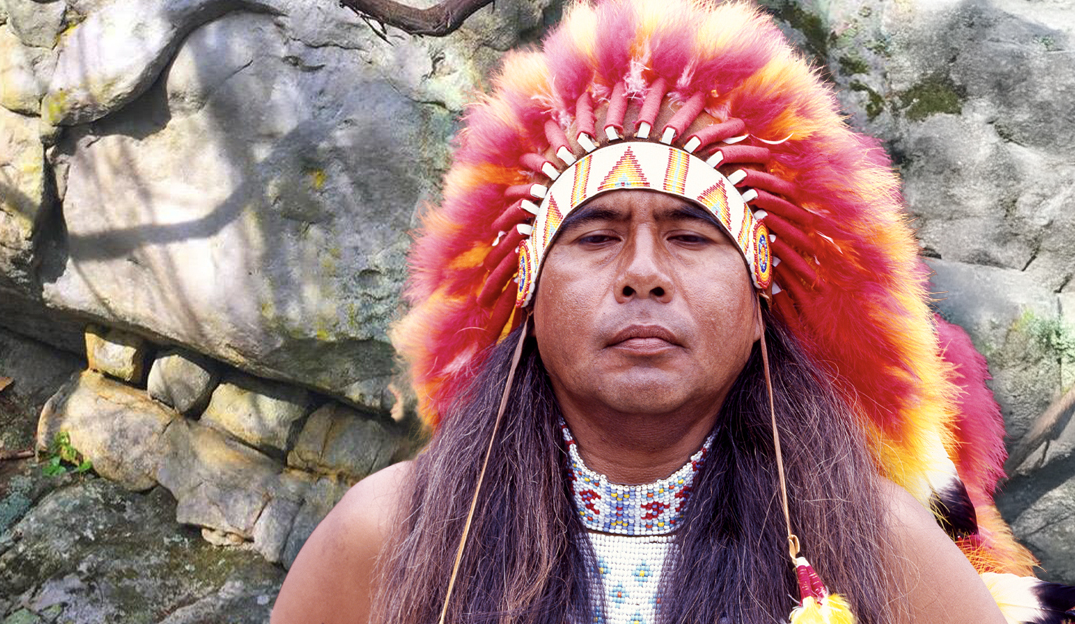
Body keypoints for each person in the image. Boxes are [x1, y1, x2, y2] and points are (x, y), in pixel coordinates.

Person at [271, 1, 1075, 622]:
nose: (643, 274)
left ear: (762, 305)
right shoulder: (387, 536)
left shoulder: (879, 545)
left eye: (691, 237)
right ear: (525, 296)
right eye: (595, 236)